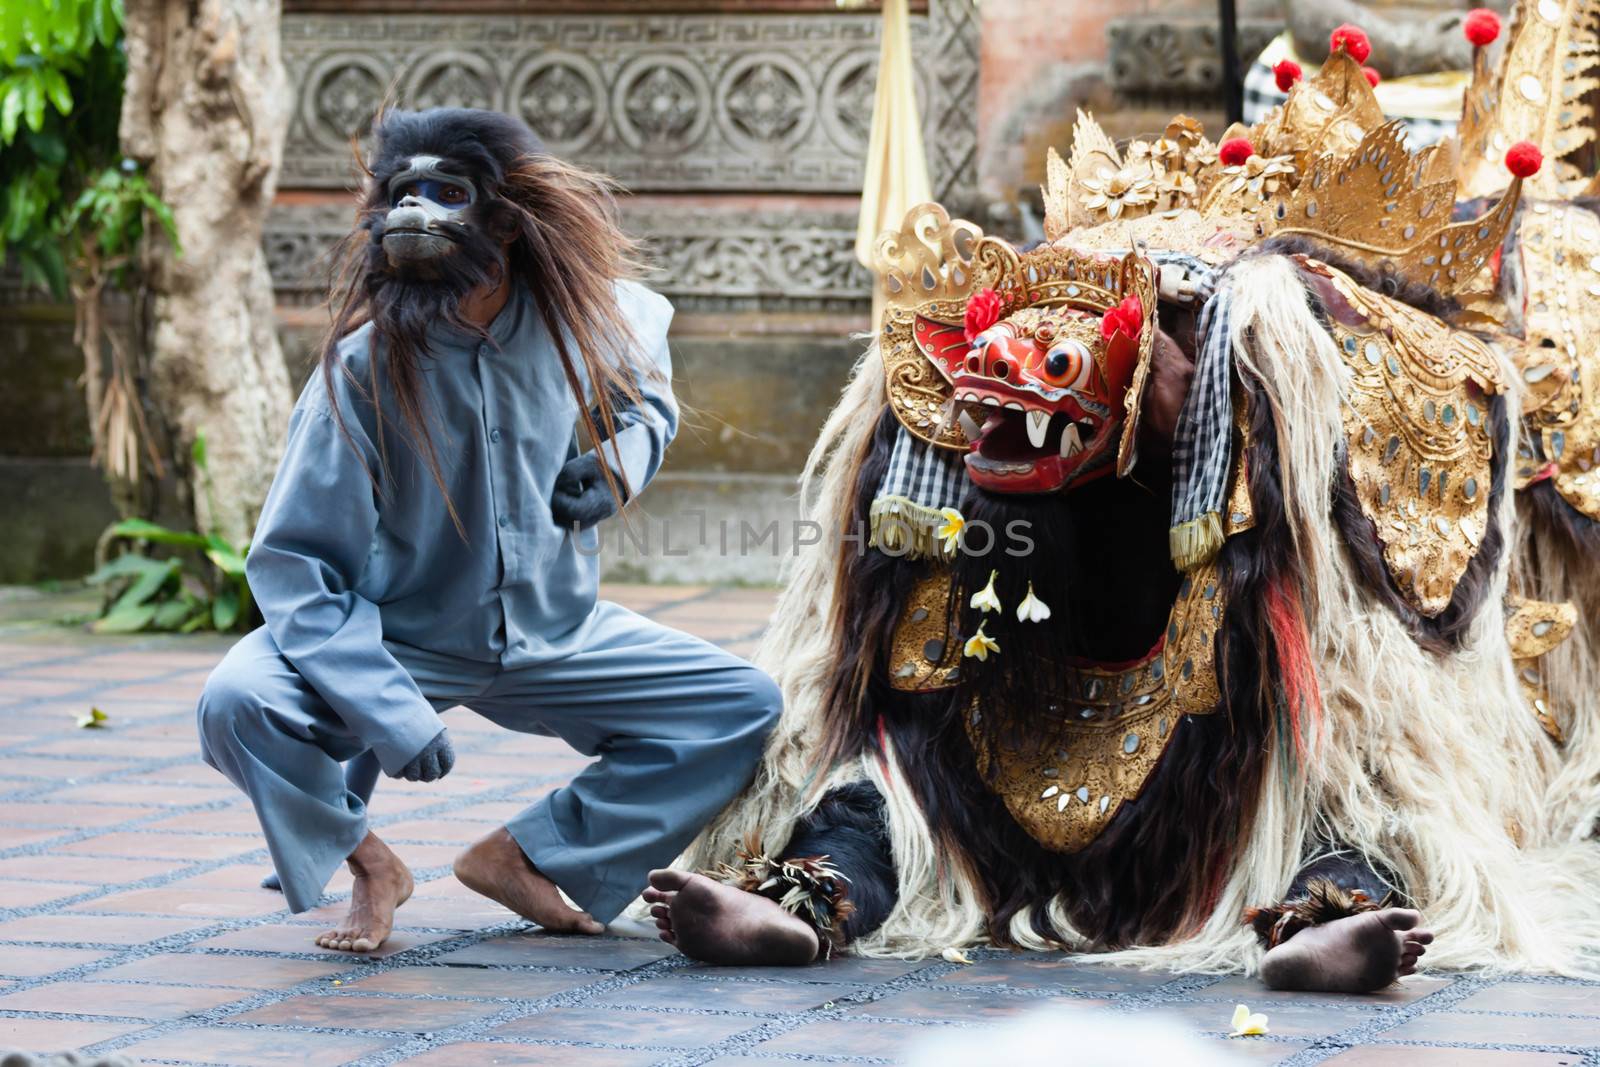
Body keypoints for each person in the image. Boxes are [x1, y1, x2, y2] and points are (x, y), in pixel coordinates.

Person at [196, 107, 782, 953]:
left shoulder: (582, 317)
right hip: (407, 638)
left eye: (447, 193)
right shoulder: (360, 373)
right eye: (403, 193)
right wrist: (387, 709)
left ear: (504, 220)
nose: (416, 213)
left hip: (557, 633)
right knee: (236, 699)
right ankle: (370, 863)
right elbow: (293, 567)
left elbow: (648, 362)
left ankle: (526, 854)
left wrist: (621, 458)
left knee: (739, 705)